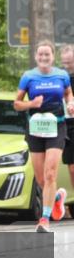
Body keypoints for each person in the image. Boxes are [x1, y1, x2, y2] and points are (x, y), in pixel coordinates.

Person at [13, 41, 74, 232]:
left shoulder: (61, 75)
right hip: (36, 128)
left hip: (57, 126)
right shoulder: (28, 77)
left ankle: (44, 219)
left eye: (47, 54)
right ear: (36, 57)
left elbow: (68, 95)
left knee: (50, 174)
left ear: (53, 56)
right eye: (40, 55)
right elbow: (16, 104)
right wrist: (32, 104)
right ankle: (56, 198)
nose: (44, 58)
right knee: (40, 178)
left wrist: (71, 104)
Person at [62, 44, 74, 219]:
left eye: (70, 61)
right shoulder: (60, 77)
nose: (67, 64)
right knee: (72, 168)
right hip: (67, 124)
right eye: (65, 62)